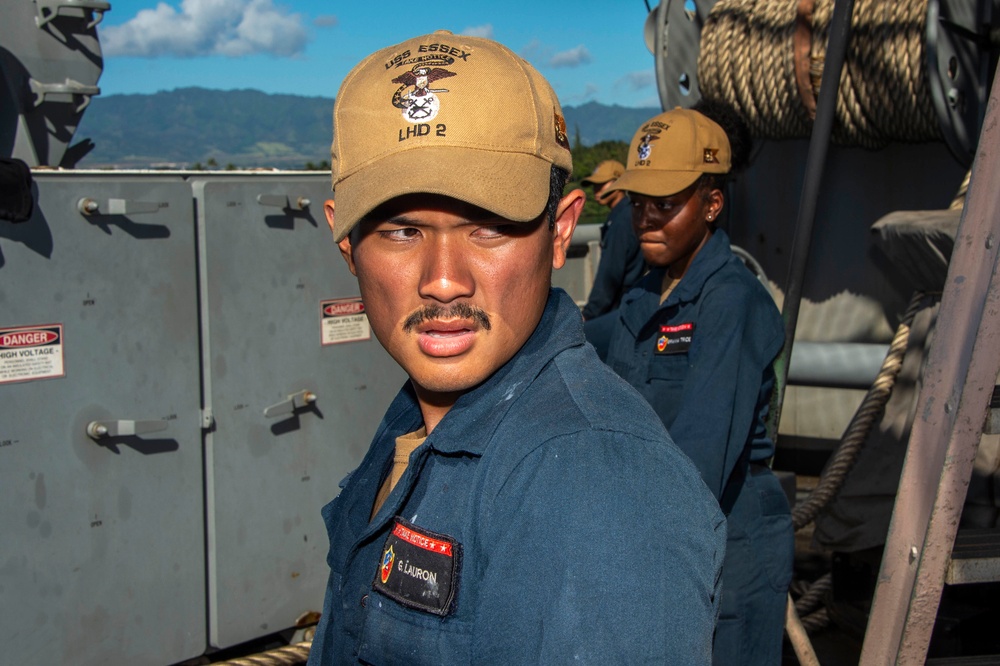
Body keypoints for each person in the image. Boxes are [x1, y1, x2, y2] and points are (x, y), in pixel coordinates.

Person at [307, 31, 727, 665]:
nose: (443, 279)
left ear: (559, 234)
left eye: (491, 227)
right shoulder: (419, 423)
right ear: (347, 247)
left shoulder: (595, 488)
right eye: (401, 231)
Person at [602, 102, 793, 665]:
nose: (646, 220)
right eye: (638, 204)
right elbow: (580, 342)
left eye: (666, 204)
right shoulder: (645, 294)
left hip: (725, 540)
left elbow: (701, 456)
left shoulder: (730, 299)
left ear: (712, 204)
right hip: (660, 529)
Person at [579, 160, 646, 321]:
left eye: (602, 184)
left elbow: (610, 275)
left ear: (619, 182)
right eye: (594, 185)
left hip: (622, 309)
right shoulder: (631, 212)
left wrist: (588, 314)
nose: (596, 190)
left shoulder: (621, 221)